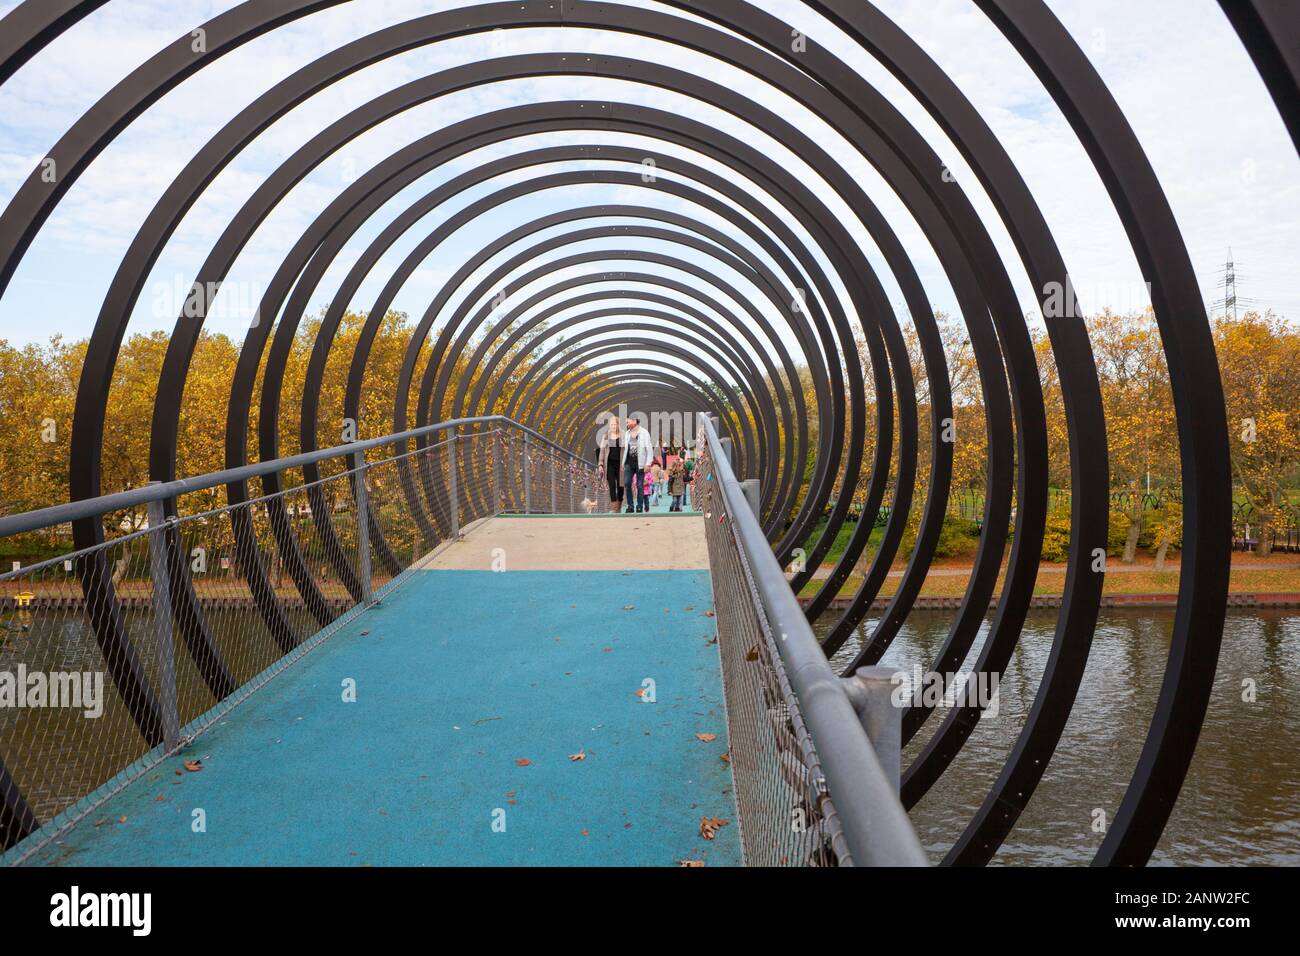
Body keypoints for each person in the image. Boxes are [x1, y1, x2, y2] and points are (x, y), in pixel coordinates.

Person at [621, 416, 654, 513]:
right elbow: (625, 450)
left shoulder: (644, 433)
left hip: (640, 463)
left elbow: (649, 449)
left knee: (640, 485)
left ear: (635, 421)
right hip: (628, 463)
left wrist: (648, 463)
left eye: (628, 421)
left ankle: (639, 506)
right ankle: (630, 506)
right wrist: (623, 462)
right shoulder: (627, 434)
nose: (626, 423)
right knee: (627, 483)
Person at [597, 415, 624, 513]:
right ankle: (614, 508)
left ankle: (619, 505)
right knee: (612, 484)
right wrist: (600, 464)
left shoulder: (623, 435)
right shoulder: (606, 436)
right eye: (611, 424)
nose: (613, 426)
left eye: (614, 424)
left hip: (620, 465)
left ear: (618, 425)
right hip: (609, 465)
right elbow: (602, 451)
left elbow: (626, 451)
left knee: (620, 487)